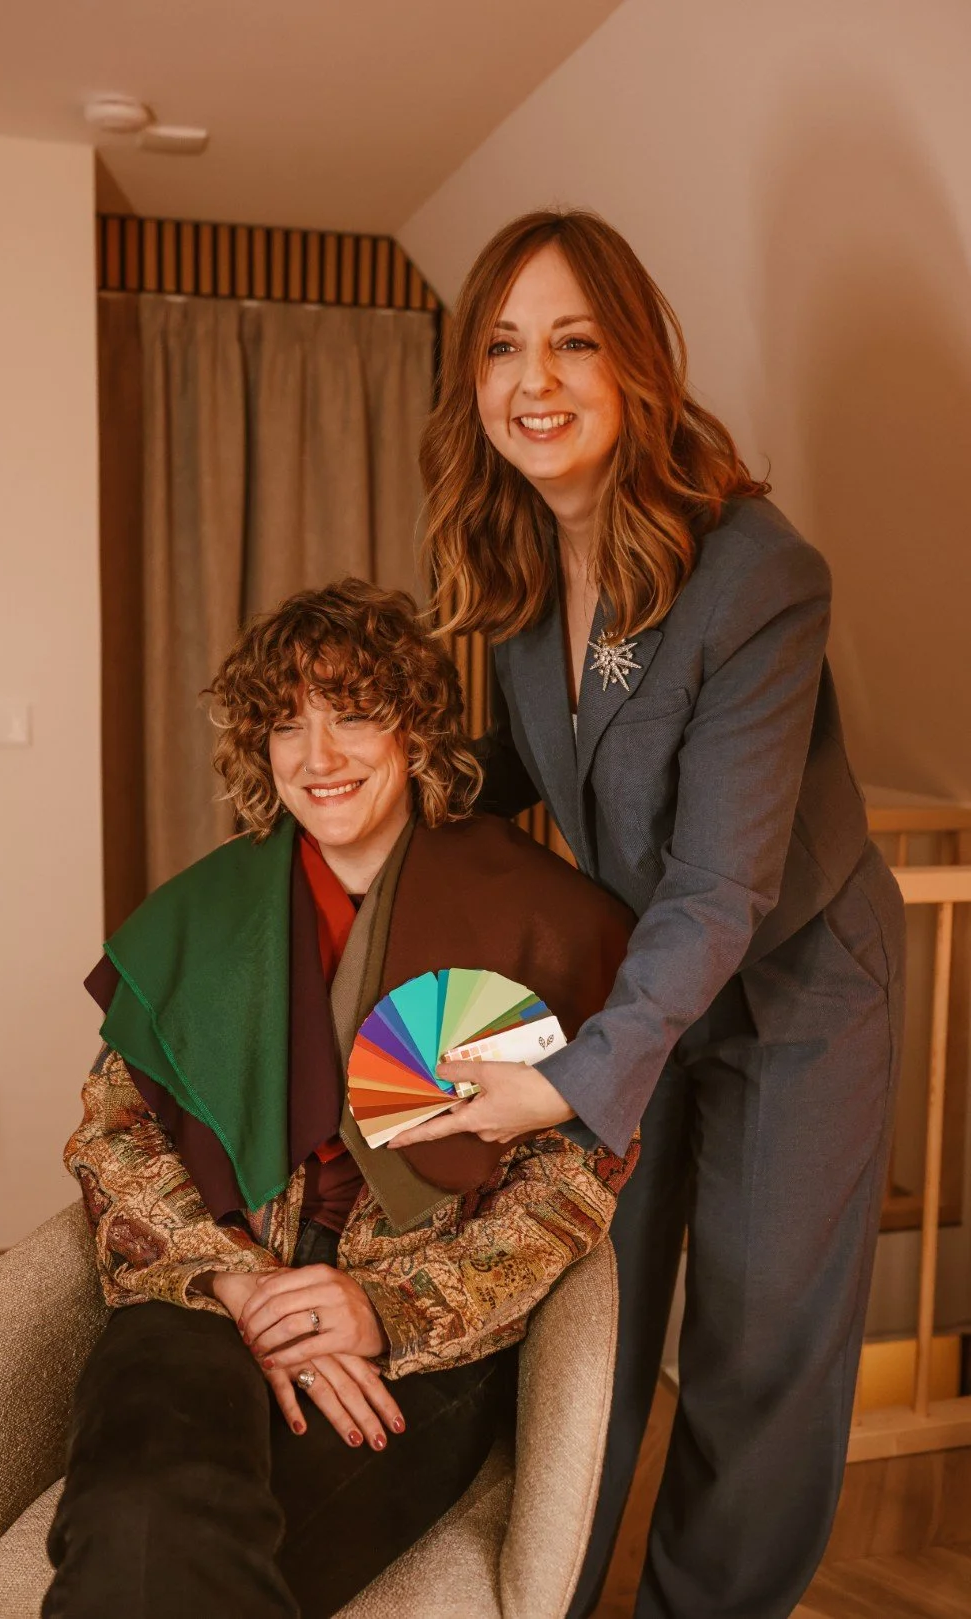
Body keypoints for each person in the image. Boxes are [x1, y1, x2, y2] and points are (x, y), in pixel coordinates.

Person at [397, 210, 906, 1619]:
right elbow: (533, 760)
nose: (534, 380)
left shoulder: (757, 573)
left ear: (636, 365)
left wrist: (568, 1080)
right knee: (595, 1317)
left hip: (800, 988)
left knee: (752, 1350)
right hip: (648, 971)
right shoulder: (521, 560)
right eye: (503, 346)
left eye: (573, 342)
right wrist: (385, 791)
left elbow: (722, 885)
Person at [43, 579, 637, 1619]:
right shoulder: (203, 913)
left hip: (416, 1331)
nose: (319, 756)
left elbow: (572, 1182)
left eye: (354, 713)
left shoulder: (540, 915)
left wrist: (385, 1310)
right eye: (286, 723)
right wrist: (240, 1286)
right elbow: (115, 1136)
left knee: (196, 1569)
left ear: (415, 727)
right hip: (207, 1295)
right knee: (137, 1520)